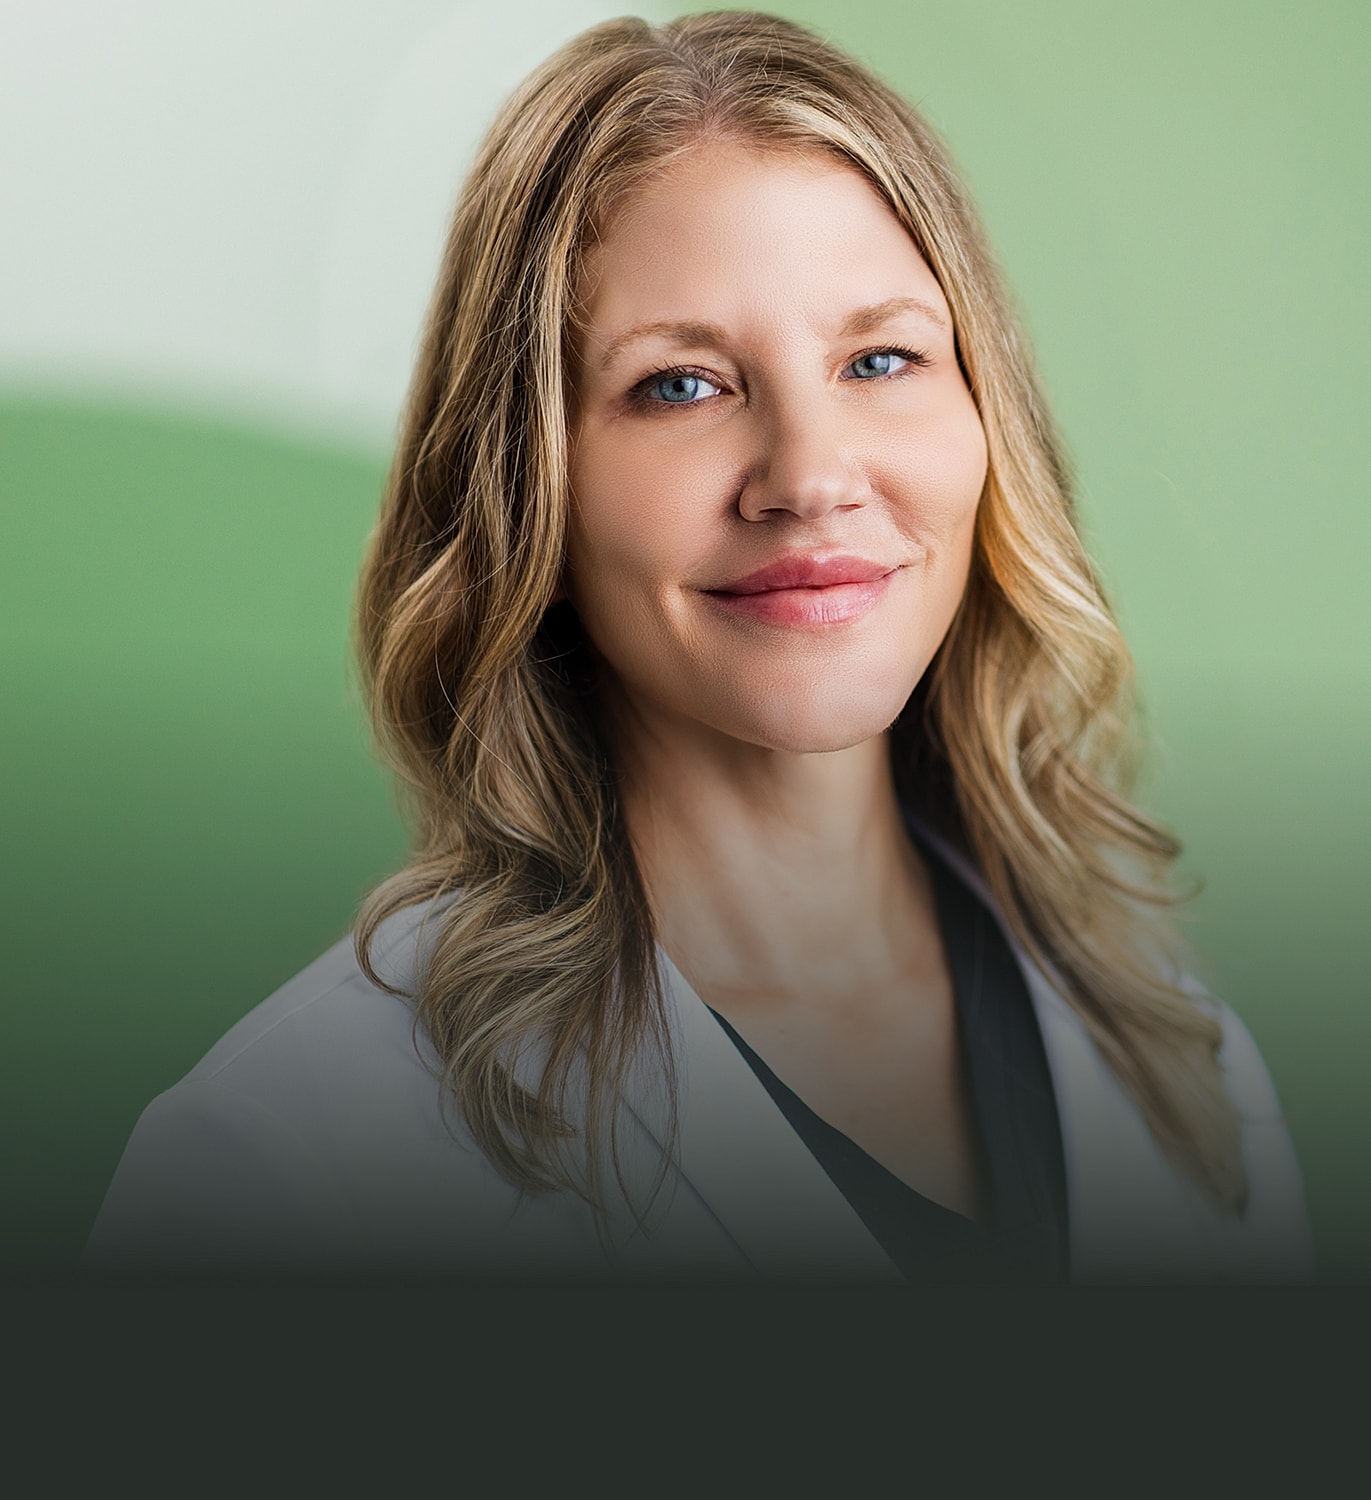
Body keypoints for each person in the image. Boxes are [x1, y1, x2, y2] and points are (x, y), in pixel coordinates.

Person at [87, 10, 1314, 1284]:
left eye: (881, 357)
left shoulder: (1182, 1056)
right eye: (681, 384)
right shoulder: (284, 1172)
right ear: (527, 491)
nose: (812, 475)